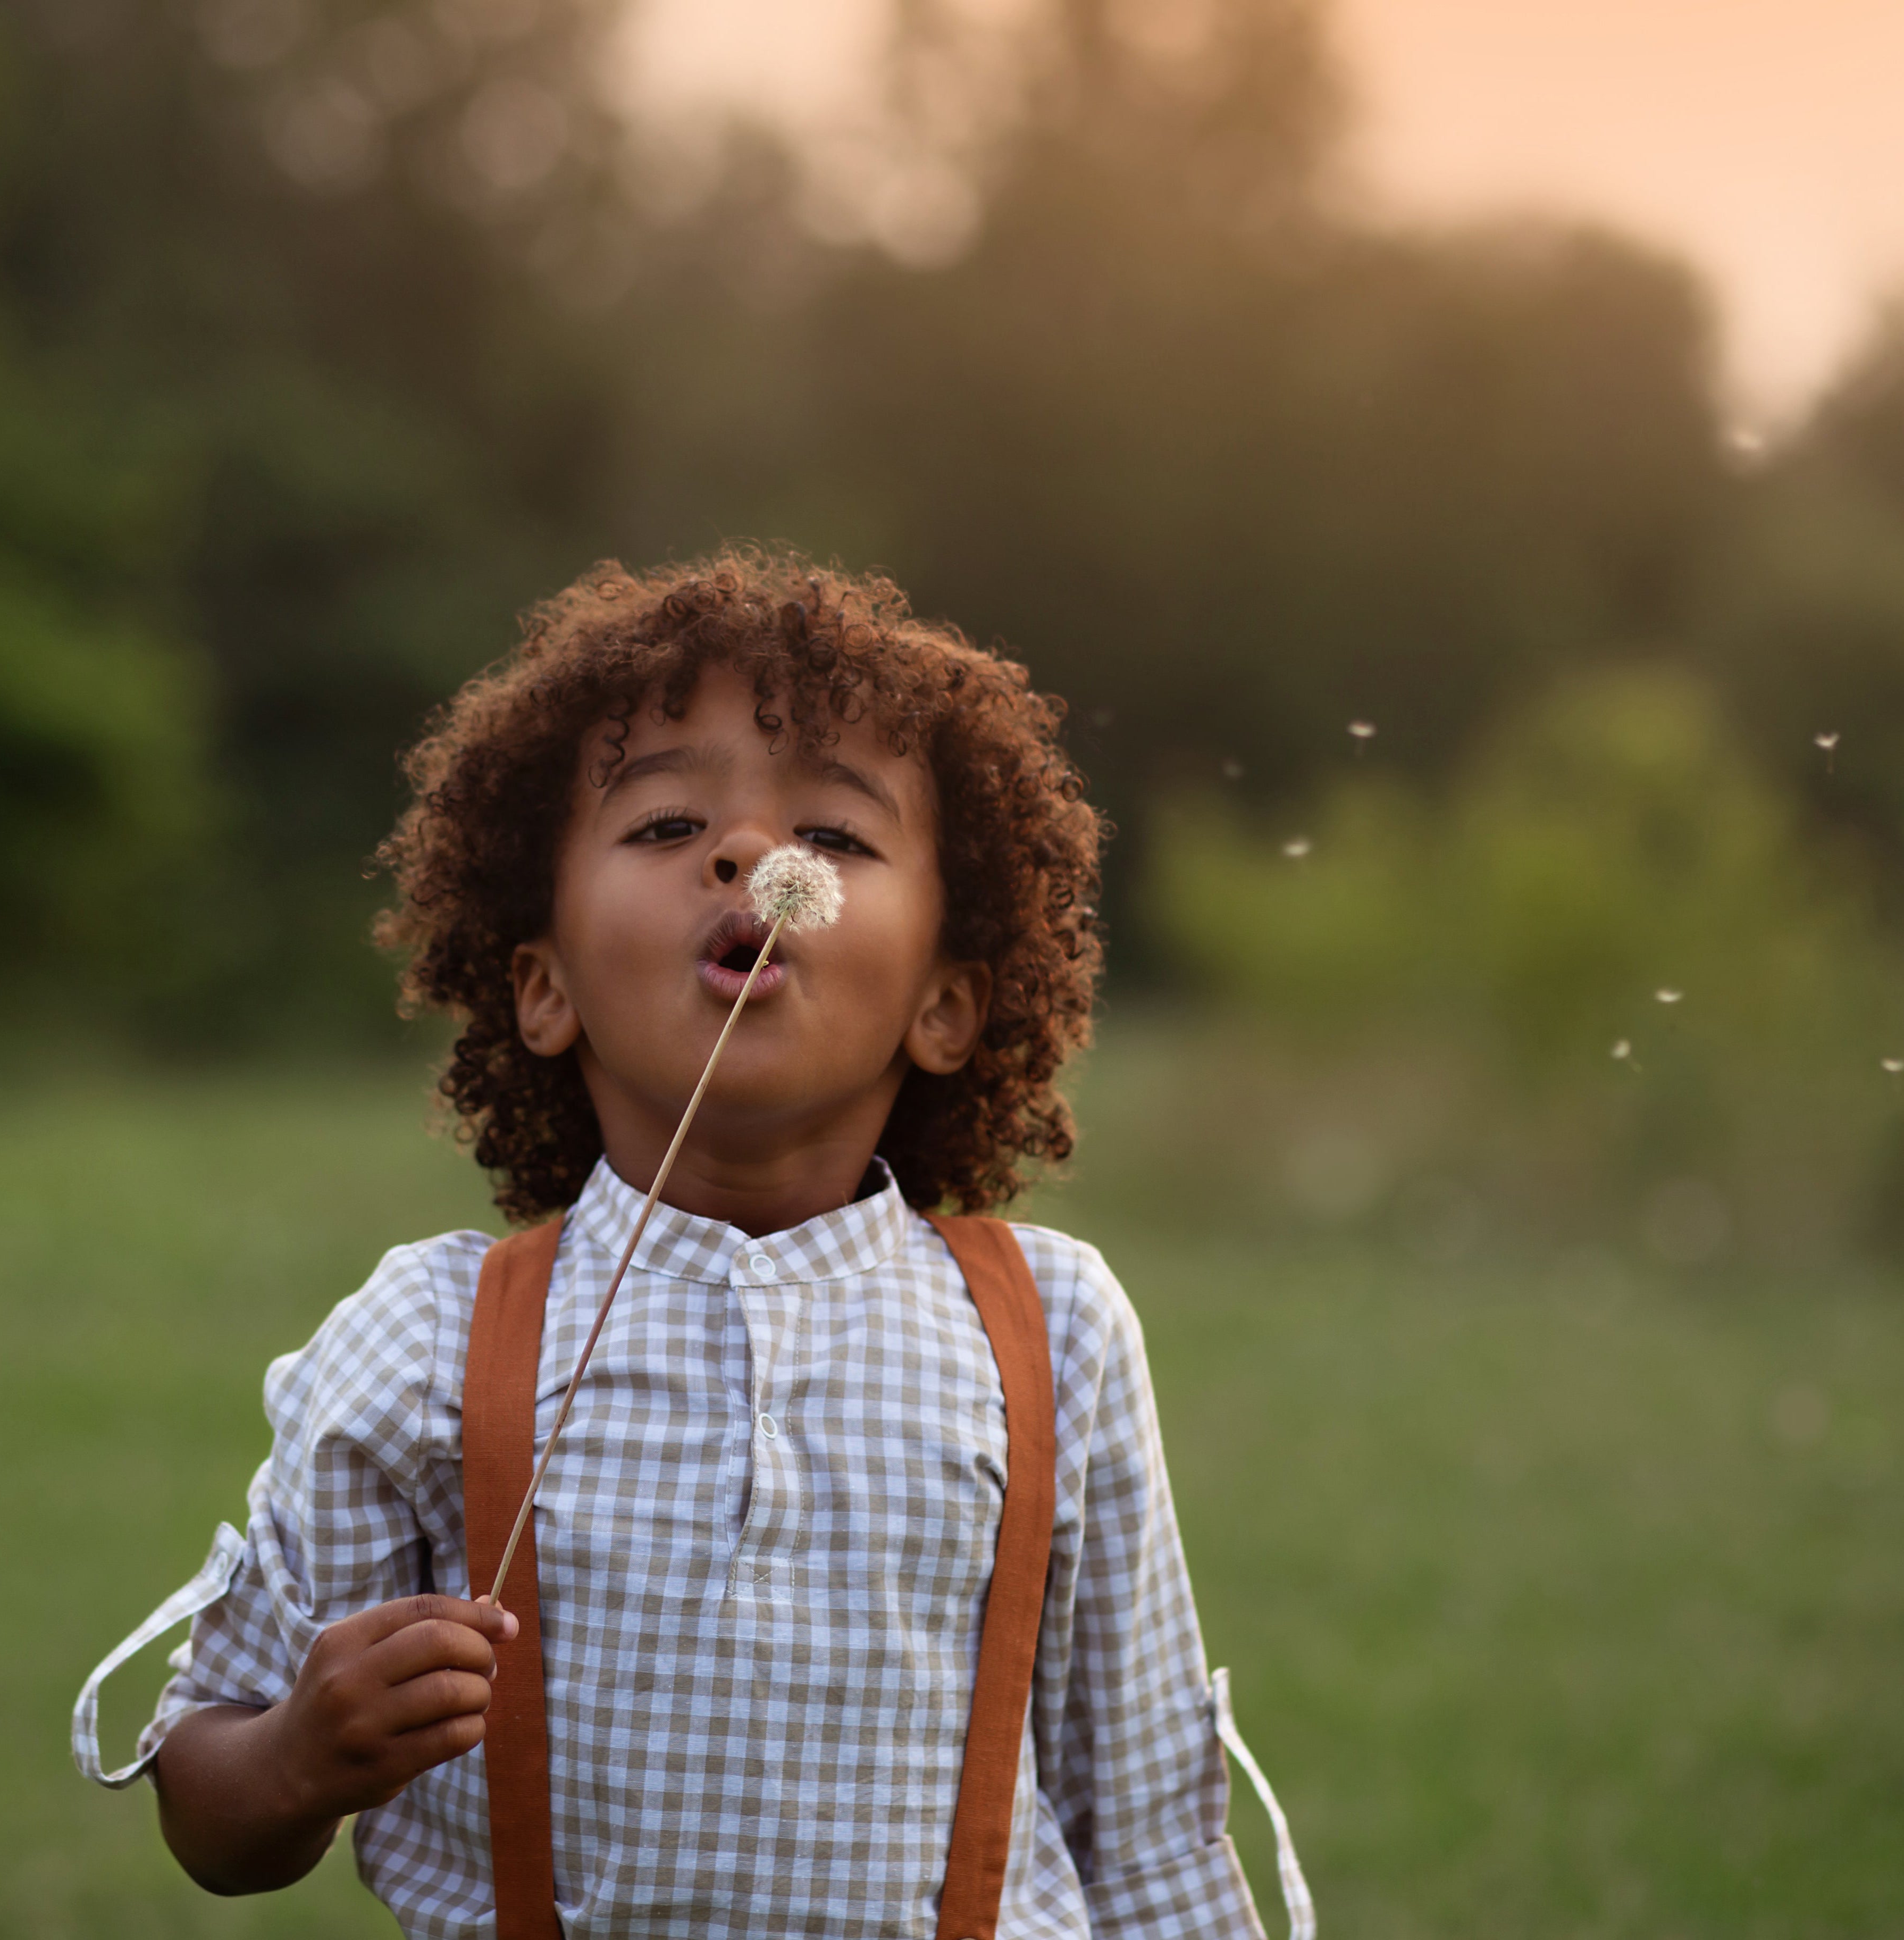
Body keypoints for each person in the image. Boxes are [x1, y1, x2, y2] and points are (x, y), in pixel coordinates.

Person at [73, 548, 1304, 1938]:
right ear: (542, 987)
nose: (748, 850)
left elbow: (1145, 1836)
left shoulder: (1053, 1332)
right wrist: (300, 1754)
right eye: (665, 825)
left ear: (948, 1007)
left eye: (833, 836)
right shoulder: (431, 1341)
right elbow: (209, 1796)